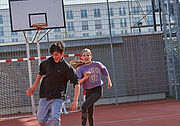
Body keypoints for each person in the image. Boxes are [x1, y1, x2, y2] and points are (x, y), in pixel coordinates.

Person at [26, 41, 80, 126]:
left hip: (58, 97)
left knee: (55, 118)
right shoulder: (46, 63)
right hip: (45, 95)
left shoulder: (67, 67)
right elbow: (40, 74)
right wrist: (33, 87)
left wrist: (75, 100)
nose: (55, 57)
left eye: (57, 54)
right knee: (41, 120)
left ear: (62, 53)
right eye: (53, 54)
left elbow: (76, 83)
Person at [77, 48, 112, 126]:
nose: (86, 57)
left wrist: (109, 81)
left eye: (88, 55)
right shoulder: (81, 69)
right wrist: (85, 78)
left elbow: (105, 70)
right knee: (90, 112)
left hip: (97, 90)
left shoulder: (97, 64)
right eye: (84, 55)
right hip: (88, 91)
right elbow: (78, 82)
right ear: (81, 57)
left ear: (91, 56)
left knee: (84, 106)